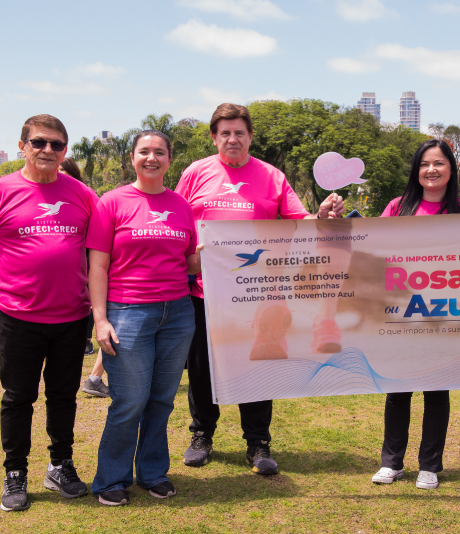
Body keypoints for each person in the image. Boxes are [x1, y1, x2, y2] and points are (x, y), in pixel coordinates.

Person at [175, 103, 344, 475]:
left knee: (258, 363)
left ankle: (258, 443)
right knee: (202, 368)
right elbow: (177, 219)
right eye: (225, 133)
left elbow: (300, 221)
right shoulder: (195, 173)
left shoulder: (271, 176)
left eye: (239, 132)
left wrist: (322, 216)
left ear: (250, 136)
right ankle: (202, 434)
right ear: (214, 137)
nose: (232, 139)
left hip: (258, 292)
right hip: (203, 292)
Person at [0, 114, 98, 512]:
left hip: (72, 316)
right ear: (22, 146)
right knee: (18, 398)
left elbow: (97, 251)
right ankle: (15, 472)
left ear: (64, 151)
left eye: (56, 144)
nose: (47, 150)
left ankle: (60, 465)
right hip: (18, 316)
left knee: (63, 396)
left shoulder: (82, 194)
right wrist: (18, 283)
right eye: (39, 142)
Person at [87, 130, 201, 506]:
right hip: (128, 312)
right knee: (130, 401)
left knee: (162, 400)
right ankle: (111, 479)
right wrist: (100, 320)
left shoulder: (181, 205)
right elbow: (97, 266)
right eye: (144, 151)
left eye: (160, 152)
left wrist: (217, 251)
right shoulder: (112, 202)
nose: (152, 158)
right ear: (133, 157)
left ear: (170, 160)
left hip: (177, 313)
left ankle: (152, 472)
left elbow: (189, 262)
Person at [371, 139, 460, 490]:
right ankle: (391, 463)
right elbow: (374, 250)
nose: (431, 170)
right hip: (402, 312)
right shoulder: (397, 207)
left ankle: (430, 466)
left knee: (436, 390)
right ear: (416, 170)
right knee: (397, 388)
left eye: (439, 163)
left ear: (452, 169)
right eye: (424, 164)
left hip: (444, 313)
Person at [58, 157, 109, 397]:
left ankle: (95, 377)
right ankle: (95, 378)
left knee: (111, 323)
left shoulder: (85, 197)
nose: (58, 175)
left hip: (93, 271)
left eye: (63, 171)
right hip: (72, 280)